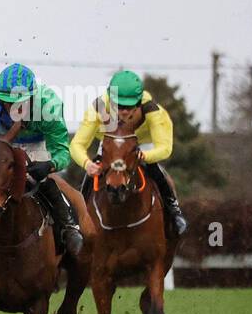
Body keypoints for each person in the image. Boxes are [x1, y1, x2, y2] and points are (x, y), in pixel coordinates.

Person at [0, 63, 84, 257]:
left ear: (32, 98)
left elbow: (62, 151)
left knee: (40, 179)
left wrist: (50, 165)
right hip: (0, 140)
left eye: (21, 103)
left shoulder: (48, 106)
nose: (13, 108)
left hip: (37, 143)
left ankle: (68, 225)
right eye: (7, 102)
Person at [70, 69, 187, 235]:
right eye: (119, 105)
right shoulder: (98, 109)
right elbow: (77, 145)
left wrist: (145, 156)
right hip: (110, 141)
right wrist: (87, 164)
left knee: (154, 168)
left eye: (129, 106)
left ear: (139, 102)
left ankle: (174, 210)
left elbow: (165, 148)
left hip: (141, 143)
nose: (124, 111)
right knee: (91, 173)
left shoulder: (154, 112)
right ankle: (78, 217)